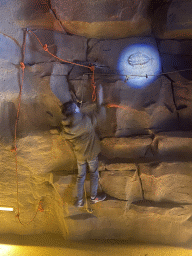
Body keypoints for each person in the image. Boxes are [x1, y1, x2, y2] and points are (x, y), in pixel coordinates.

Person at [61, 100, 106, 207]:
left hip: (79, 155)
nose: (78, 107)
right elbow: (97, 117)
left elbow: (63, 135)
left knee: (81, 176)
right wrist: (101, 106)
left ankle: (80, 201)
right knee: (94, 174)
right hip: (91, 153)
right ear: (75, 110)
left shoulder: (66, 127)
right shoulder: (86, 120)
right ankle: (93, 197)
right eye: (76, 107)